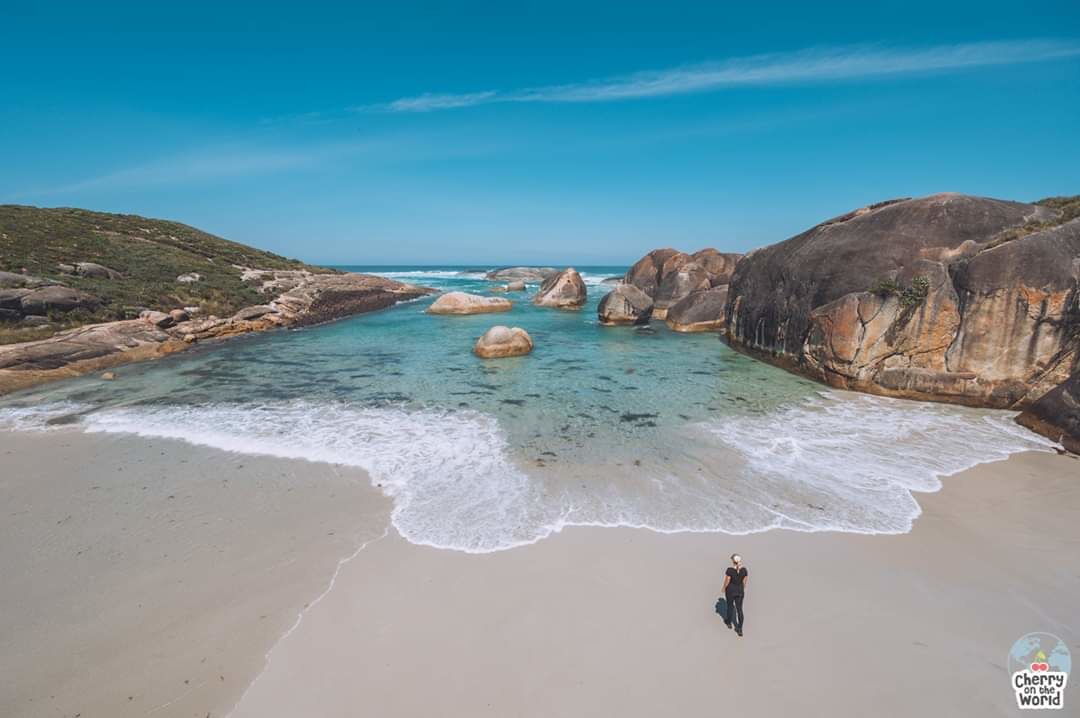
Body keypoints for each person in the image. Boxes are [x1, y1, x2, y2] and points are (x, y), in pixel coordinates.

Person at [721, 553, 748, 637]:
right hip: (740, 591)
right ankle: (739, 628)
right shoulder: (744, 570)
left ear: (733, 561)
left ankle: (729, 622)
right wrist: (741, 588)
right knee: (739, 609)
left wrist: (723, 588)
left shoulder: (730, 570)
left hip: (730, 591)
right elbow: (744, 582)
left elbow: (727, 580)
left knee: (730, 606)